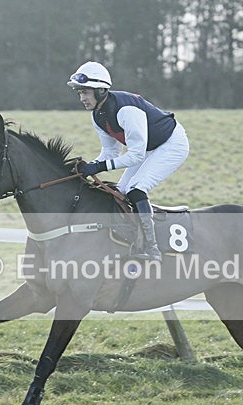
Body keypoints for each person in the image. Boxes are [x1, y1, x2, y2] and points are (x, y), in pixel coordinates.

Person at [68, 61, 189, 262]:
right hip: (148, 148)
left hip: (171, 144)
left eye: (86, 92)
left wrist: (98, 167)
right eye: (80, 93)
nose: (82, 98)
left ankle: (152, 248)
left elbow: (136, 155)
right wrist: (89, 166)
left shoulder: (126, 110)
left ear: (100, 90)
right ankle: (130, 241)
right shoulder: (97, 115)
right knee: (120, 193)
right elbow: (110, 151)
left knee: (136, 189)